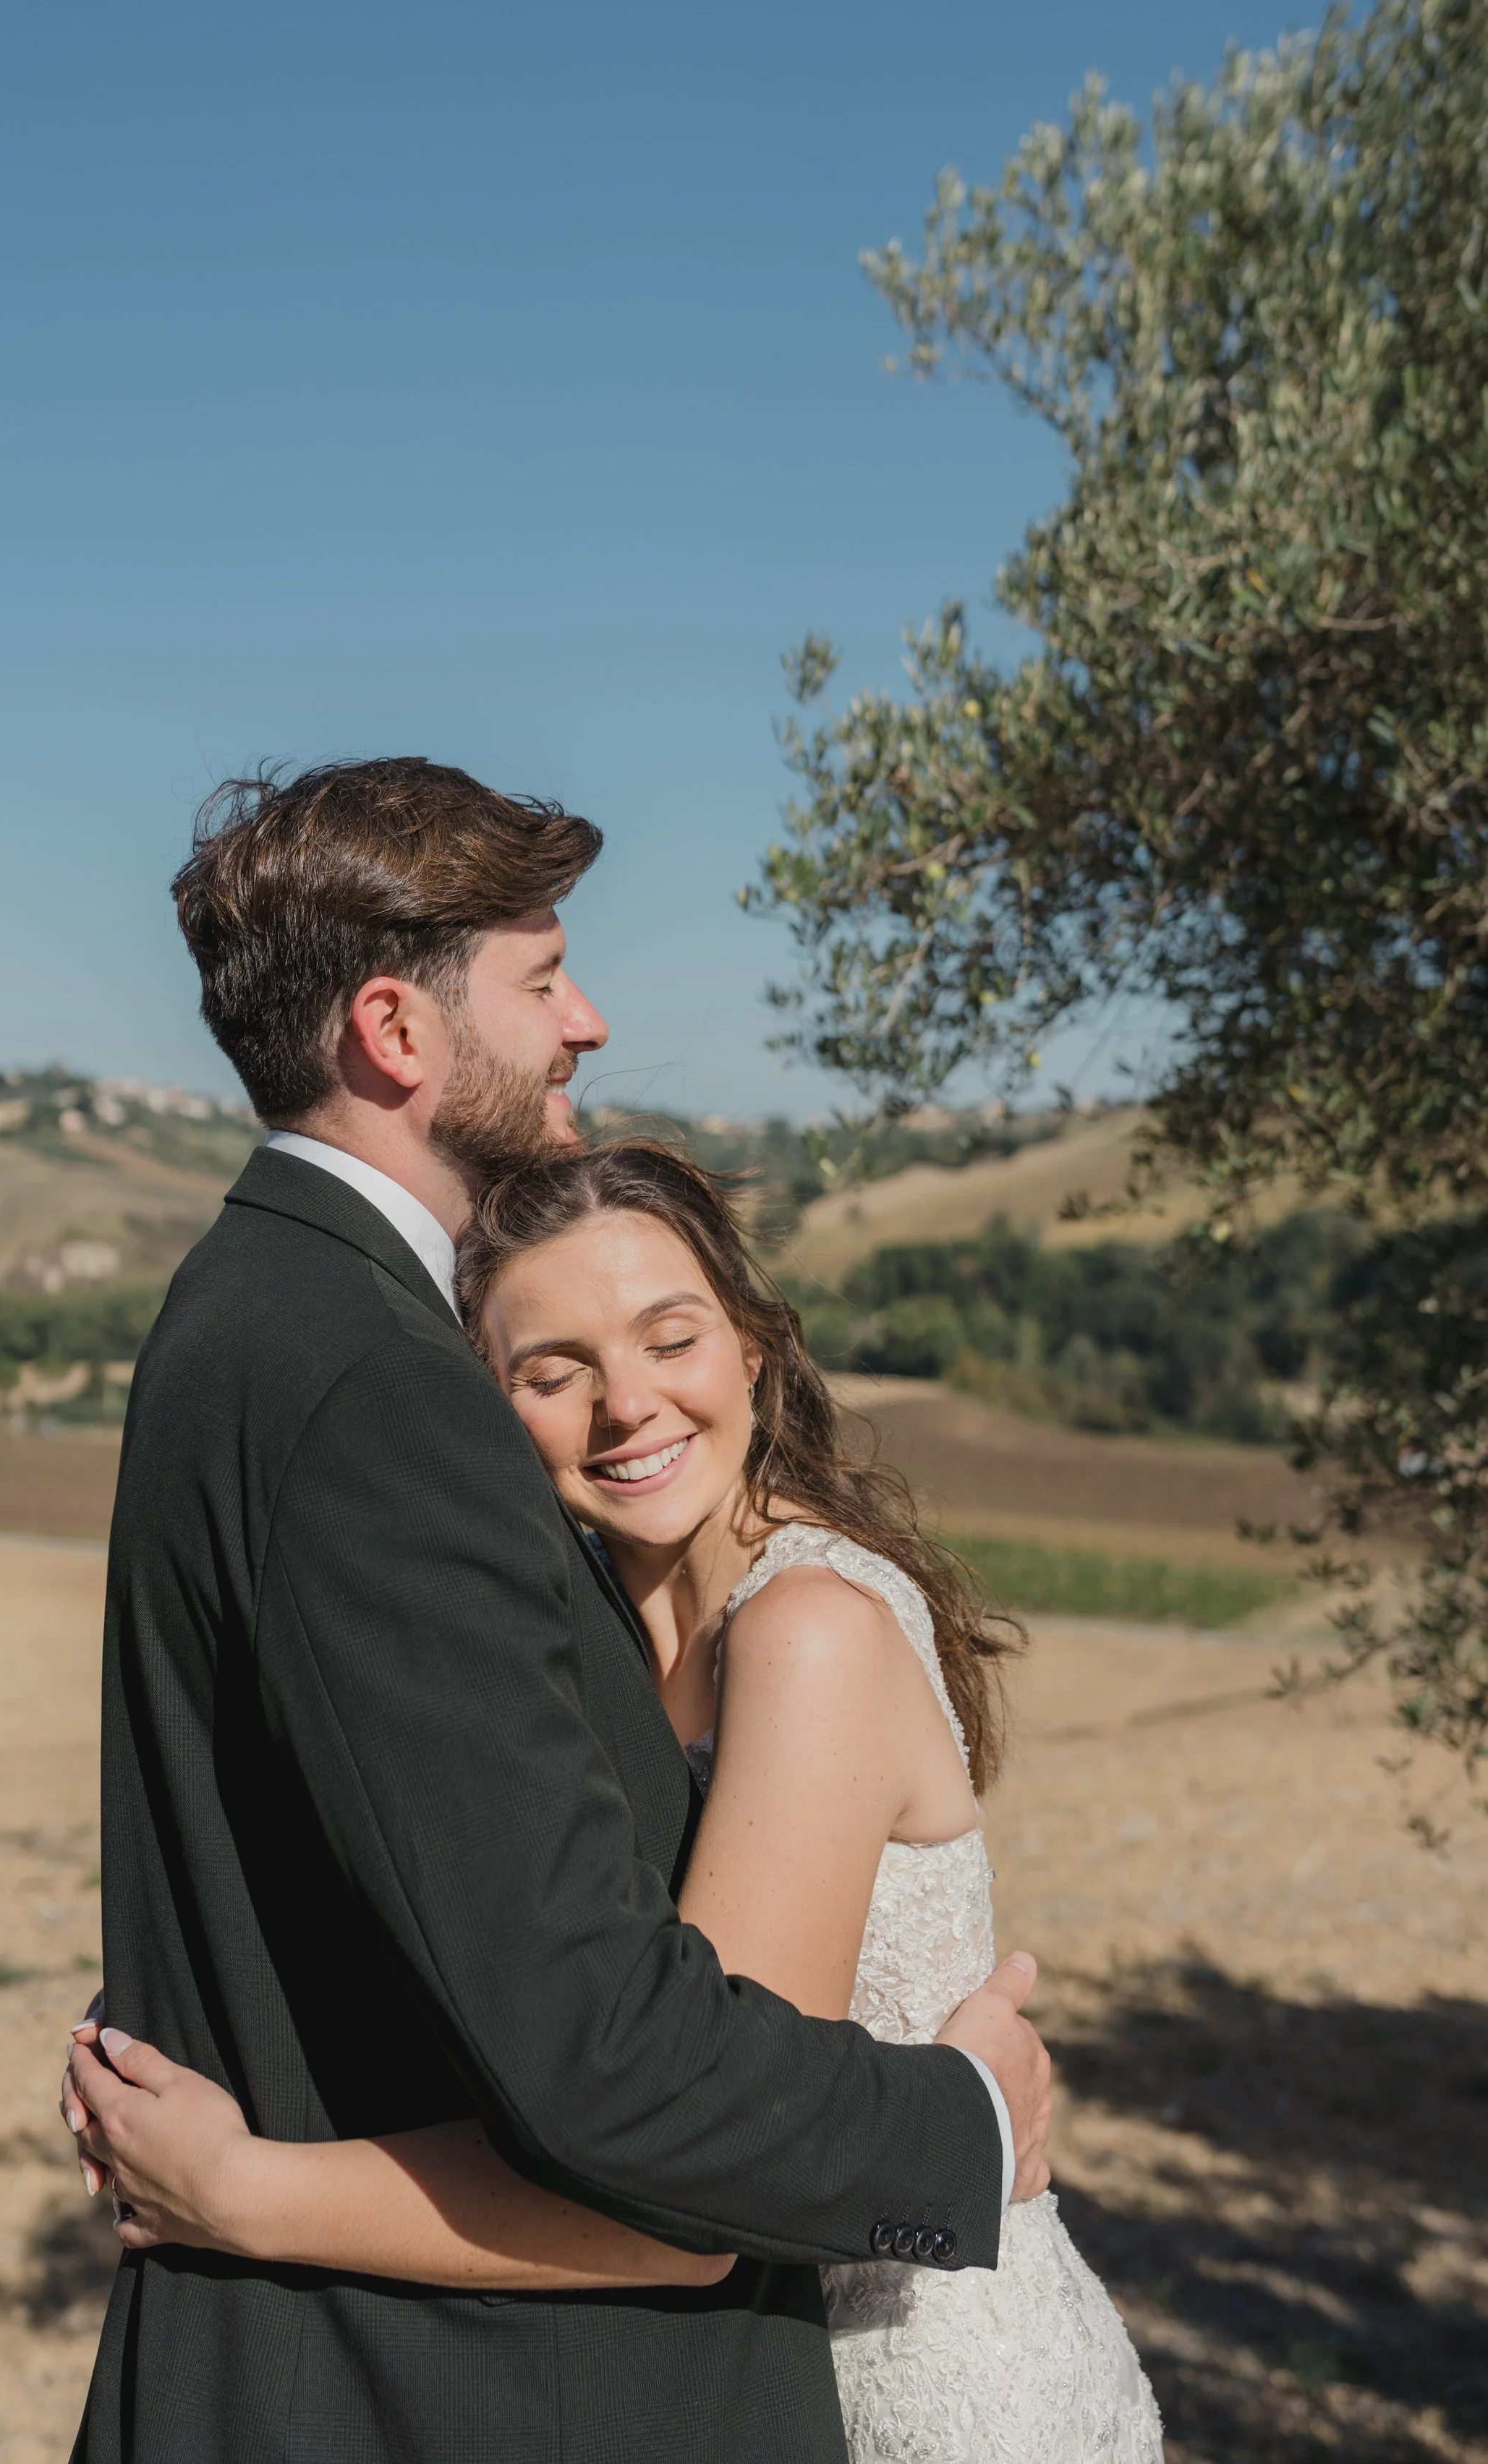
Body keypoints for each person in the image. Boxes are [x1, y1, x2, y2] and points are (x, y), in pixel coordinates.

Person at [64, 758, 1050, 2464]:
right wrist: (955, 2130)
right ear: (396, 1028)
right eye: (538, 979)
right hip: (461, 2396)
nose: (583, 1020)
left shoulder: (247, 1314)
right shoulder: (371, 1382)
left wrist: (243, 2176)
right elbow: (599, 2066)